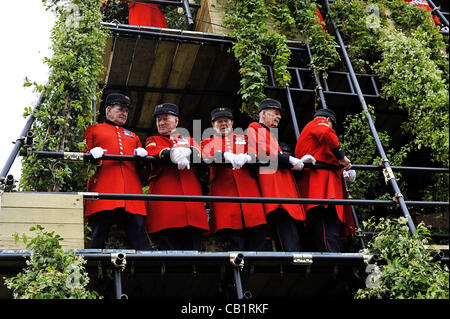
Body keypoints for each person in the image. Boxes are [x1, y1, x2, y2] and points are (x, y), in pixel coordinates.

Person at [83, 93, 151, 250]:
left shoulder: (133, 136)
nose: (124, 113)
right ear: (108, 110)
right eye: (120, 109)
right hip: (104, 191)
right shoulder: (94, 130)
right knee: (98, 236)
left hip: (131, 194)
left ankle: (145, 270)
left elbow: (143, 173)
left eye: (127, 111)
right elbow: (83, 159)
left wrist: (142, 161)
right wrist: (91, 154)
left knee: (139, 237)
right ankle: (92, 271)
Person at [246, 99, 316, 252]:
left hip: (283, 191)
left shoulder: (268, 133)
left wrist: (297, 160)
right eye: (275, 113)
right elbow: (265, 151)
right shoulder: (254, 127)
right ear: (263, 113)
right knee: (287, 234)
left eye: (280, 115)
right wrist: (289, 159)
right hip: (277, 191)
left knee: (291, 233)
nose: (279, 117)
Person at [144, 103, 209, 250]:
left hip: (191, 210)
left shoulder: (189, 140)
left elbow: (200, 152)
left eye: (165, 118)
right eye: (158, 119)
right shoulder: (153, 139)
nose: (161, 123)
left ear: (176, 121)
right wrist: (172, 153)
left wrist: (188, 151)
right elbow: (153, 150)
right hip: (166, 210)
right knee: (170, 253)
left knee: (194, 255)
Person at [201, 107, 267, 251]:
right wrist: (225, 155)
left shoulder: (244, 139)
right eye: (219, 122)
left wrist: (249, 156)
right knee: (235, 244)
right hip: (227, 198)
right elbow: (207, 155)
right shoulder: (207, 142)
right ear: (213, 125)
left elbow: (258, 153)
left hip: (250, 196)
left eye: (226, 121)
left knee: (258, 241)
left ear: (232, 123)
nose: (223, 124)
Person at [295, 108, 356, 252]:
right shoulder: (320, 123)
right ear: (329, 121)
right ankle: (332, 261)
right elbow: (326, 133)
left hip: (314, 187)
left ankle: (329, 262)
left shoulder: (307, 132)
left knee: (321, 229)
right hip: (323, 187)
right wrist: (343, 158)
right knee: (327, 227)